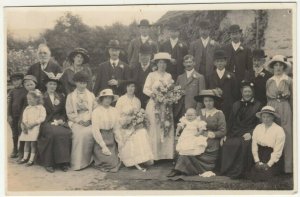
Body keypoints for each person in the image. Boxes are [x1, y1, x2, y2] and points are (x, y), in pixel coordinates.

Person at [168, 89, 226, 177]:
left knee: (196, 148)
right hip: (197, 136)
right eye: (206, 101)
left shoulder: (219, 113)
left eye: (210, 100)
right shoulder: (198, 112)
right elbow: (189, 122)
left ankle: (183, 169)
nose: (208, 103)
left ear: (214, 101)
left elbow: (223, 131)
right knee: (186, 146)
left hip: (211, 141)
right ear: (203, 102)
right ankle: (178, 169)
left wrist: (212, 134)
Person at [220, 81, 262, 179]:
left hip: (249, 132)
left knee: (244, 144)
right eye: (245, 92)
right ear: (242, 93)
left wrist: (251, 133)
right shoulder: (236, 104)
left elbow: (260, 124)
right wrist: (225, 135)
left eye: (249, 92)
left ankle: (241, 171)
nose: (247, 94)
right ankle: (228, 170)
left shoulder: (258, 105)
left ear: (252, 93)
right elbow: (230, 122)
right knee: (228, 143)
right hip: (236, 132)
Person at [37, 74, 72, 173]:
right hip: (46, 121)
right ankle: (49, 163)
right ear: (46, 85)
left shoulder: (60, 96)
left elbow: (63, 112)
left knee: (66, 133)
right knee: (52, 134)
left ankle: (63, 162)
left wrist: (61, 120)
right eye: (50, 84)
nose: (53, 86)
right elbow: (38, 111)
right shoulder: (41, 97)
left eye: (54, 85)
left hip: (58, 121)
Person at [116, 81, 154, 171]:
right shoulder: (121, 99)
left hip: (134, 125)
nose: (130, 88)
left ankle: (141, 159)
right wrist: (125, 122)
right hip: (123, 126)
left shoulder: (137, 100)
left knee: (142, 132)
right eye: (128, 86)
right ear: (126, 88)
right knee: (132, 135)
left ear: (135, 88)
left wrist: (137, 122)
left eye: (133, 86)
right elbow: (117, 115)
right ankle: (131, 160)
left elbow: (138, 114)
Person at [143, 52, 175, 160]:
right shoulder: (151, 75)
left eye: (164, 63)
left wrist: (168, 96)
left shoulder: (169, 75)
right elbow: (145, 89)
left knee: (166, 125)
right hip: (154, 104)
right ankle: (154, 155)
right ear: (157, 64)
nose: (162, 65)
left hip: (165, 105)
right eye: (160, 62)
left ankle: (165, 155)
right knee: (154, 127)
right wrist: (154, 94)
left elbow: (171, 89)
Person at [266, 55, 293, 173]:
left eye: (280, 65)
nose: (278, 67)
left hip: (285, 107)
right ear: (272, 67)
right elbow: (267, 98)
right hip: (272, 108)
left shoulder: (289, 80)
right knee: (273, 134)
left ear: (284, 67)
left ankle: (288, 168)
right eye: (275, 65)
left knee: (286, 134)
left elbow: (293, 98)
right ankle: (274, 166)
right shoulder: (269, 81)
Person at [65, 71, 96, 170]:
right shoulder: (70, 96)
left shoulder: (91, 95)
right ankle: (78, 163)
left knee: (91, 131)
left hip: (89, 118)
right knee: (79, 134)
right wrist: (79, 121)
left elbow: (95, 110)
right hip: (76, 119)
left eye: (84, 83)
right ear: (75, 83)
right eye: (80, 83)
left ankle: (90, 160)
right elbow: (69, 112)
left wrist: (90, 120)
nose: (82, 85)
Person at [249, 106, 285, 182]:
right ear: (261, 118)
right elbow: (254, 145)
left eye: (268, 117)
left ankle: (270, 169)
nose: (266, 119)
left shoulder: (279, 130)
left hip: (271, 155)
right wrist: (257, 161)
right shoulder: (258, 127)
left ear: (273, 117)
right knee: (253, 175)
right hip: (260, 153)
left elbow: (278, 150)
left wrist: (269, 164)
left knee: (266, 174)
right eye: (264, 117)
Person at [92, 89, 122, 172]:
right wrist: (103, 146)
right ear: (101, 99)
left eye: (110, 98)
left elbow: (116, 128)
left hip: (111, 139)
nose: (108, 100)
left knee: (114, 162)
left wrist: (120, 141)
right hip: (100, 139)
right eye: (105, 98)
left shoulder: (114, 110)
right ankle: (99, 159)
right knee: (109, 163)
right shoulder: (96, 111)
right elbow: (95, 131)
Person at [207, 49, 239, 121]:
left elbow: (235, 93)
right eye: (217, 61)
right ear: (214, 63)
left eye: (221, 61)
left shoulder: (231, 76)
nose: (219, 63)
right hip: (214, 106)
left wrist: (232, 105)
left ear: (225, 62)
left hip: (228, 106)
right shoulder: (210, 76)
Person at [174, 55, 206, 125]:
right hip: (180, 108)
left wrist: (197, 111)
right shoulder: (180, 77)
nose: (188, 64)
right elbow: (175, 93)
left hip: (192, 108)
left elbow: (201, 96)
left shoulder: (200, 77)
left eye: (190, 62)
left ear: (194, 63)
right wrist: (179, 93)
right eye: (186, 62)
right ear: (183, 64)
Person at [17, 90, 46, 166]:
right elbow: (24, 118)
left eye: (30, 99)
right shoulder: (27, 108)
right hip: (27, 127)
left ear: (37, 99)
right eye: (28, 99)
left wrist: (34, 123)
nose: (28, 101)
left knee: (33, 144)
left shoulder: (41, 108)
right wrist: (25, 125)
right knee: (26, 143)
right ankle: (25, 158)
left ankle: (31, 159)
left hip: (35, 127)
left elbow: (42, 117)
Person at [17, 75, 38, 161]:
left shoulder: (38, 93)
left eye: (31, 84)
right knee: (22, 132)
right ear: (24, 86)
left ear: (35, 84)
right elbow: (21, 108)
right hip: (25, 115)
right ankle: (22, 153)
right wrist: (22, 121)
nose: (30, 87)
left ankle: (34, 156)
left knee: (34, 136)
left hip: (35, 116)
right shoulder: (23, 95)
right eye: (27, 85)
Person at [7, 73, 27, 158]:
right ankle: (15, 149)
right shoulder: (11, 91)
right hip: (13, 115)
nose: (16, 82)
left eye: (18, 80)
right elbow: (9, 104)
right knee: (14, 133)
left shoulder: (25, 91)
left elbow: (25, 105)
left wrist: (22, 118)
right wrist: (9, 115)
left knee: (21, 132)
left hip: (21, 116)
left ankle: (21, 150)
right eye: (14, 81)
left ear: (22, 80)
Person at [132, 44, 156, 109]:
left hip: (151, 100)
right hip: (136, 100)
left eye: (146, 55)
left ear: (150, 56)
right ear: (139, 56)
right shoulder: (134, 69)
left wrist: (151, 99)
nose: (144, 57)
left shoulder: (155, 69)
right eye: (142, 55)